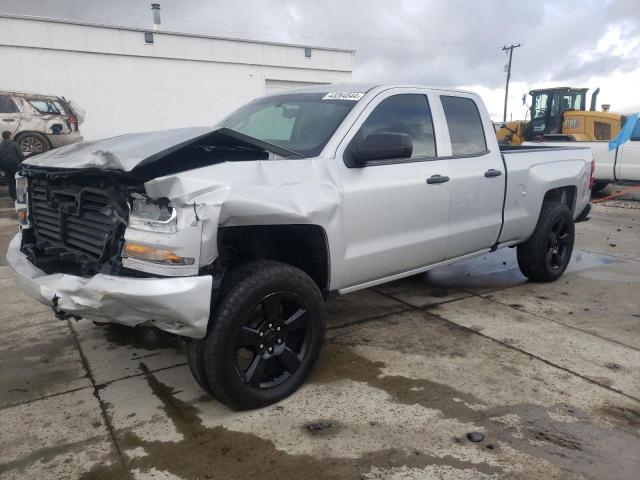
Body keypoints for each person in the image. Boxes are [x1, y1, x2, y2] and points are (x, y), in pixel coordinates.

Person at [0, 131, 24, 200]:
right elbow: (21, 155)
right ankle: (20, 197)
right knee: (19, 180)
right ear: (10, 136)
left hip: (5, 166)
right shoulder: (14, 144)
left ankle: (13, 197)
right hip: (15, 165)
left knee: (10, 182)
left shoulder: (1, 145)